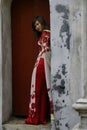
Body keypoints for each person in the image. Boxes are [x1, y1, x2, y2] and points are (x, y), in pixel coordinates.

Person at [25, 16, 54, 125]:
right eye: (35, 26)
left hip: (42, 64)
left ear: (42, 22)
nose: (37, 27)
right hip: (41, 63)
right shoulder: (45, 34)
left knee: (37, 91)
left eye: (38, 24)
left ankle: (35, 118)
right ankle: (40, 118)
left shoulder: (46, 33)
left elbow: (47, 50)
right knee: (41, 91)